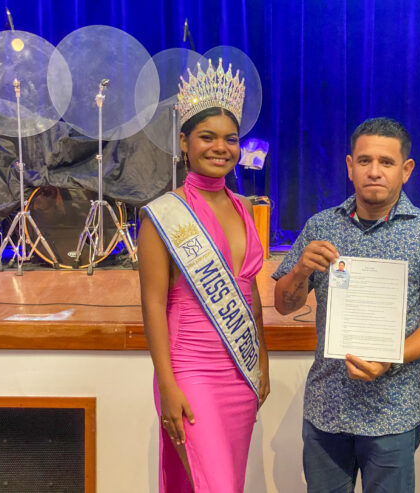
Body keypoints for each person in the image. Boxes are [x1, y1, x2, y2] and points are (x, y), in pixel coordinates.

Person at [273, 117, 420, 492]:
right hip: (326, 409)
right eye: (364, 161)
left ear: (406, 170)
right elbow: (284, 305)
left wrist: (390, 358)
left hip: (391, 413)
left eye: (386, 162)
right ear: (350, 166)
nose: (374, 171)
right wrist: (299, 271)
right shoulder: (321, 227)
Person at [138, 58, 269, 493]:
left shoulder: (245, 208)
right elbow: (153, 304)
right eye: (207, 137)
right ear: (184, 142)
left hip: (240, 371)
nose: (221, 148)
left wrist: (263, 360)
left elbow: (249, 293)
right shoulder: (163, 214)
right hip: (190, 371)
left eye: (230, 139)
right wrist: (166, 384)